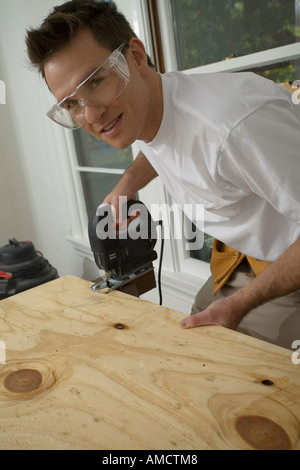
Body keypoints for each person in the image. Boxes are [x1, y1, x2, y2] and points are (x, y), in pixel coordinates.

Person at [26, 0, 300, 349]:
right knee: (190, 335)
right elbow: (166, 143)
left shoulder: (234, 128)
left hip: (289, 266)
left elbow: (206, 138)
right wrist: (126, 185)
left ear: (136, 56)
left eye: (95, 82)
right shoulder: (151, 106)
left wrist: (240, 303)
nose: (91, 116)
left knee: (223, 361)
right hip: (241, 255)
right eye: (71, 104)